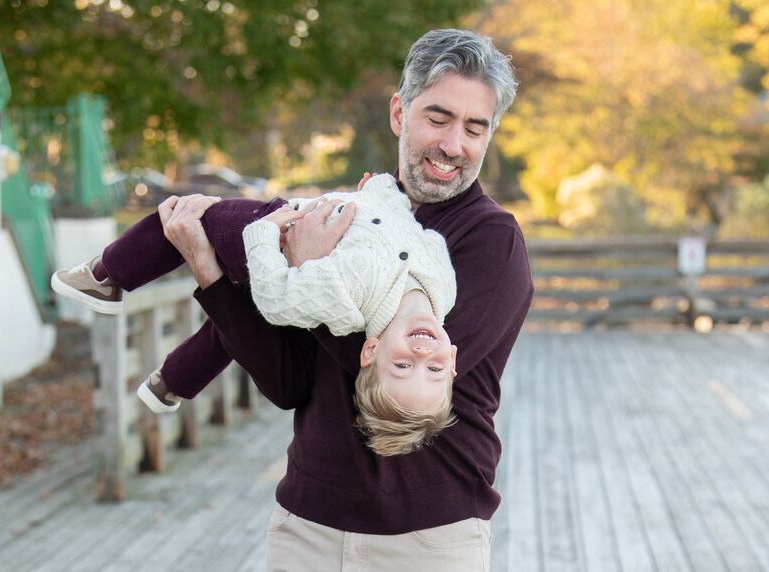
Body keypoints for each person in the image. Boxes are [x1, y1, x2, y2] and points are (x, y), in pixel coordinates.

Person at [157, 28, 532, 570]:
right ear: (400, 113)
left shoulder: (491, 242)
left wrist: (305, 272)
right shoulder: (346, 219)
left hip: (430, 538)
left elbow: (388, 372)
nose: (454, 145)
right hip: (306, 529)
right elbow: (288, 383)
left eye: (475, 128)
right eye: (438, 118)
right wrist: (210, 268)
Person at [51, 173, 459, 455]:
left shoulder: (345, 295)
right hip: (318, 216)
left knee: (187, 218)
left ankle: (106, 277)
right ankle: (172, 382)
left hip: (278, 230)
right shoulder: (446, 286)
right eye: (434, 371)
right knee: (237, 320)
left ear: (369, 351)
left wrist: (263, 232)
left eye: (403, 366)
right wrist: (381, 190)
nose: (423, 356)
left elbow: (275, 298)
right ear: (452, 361)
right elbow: (407, 223)